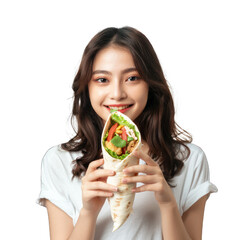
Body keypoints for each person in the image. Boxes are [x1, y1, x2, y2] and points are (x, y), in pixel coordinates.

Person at [37, 26, 217, 240]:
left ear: (150, 84)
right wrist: (88, 212)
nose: (117, 94)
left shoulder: (189, 160)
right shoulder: (59, 161)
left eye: (132, 78)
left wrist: (168, 205)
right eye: (102, 79)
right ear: (87, 87)